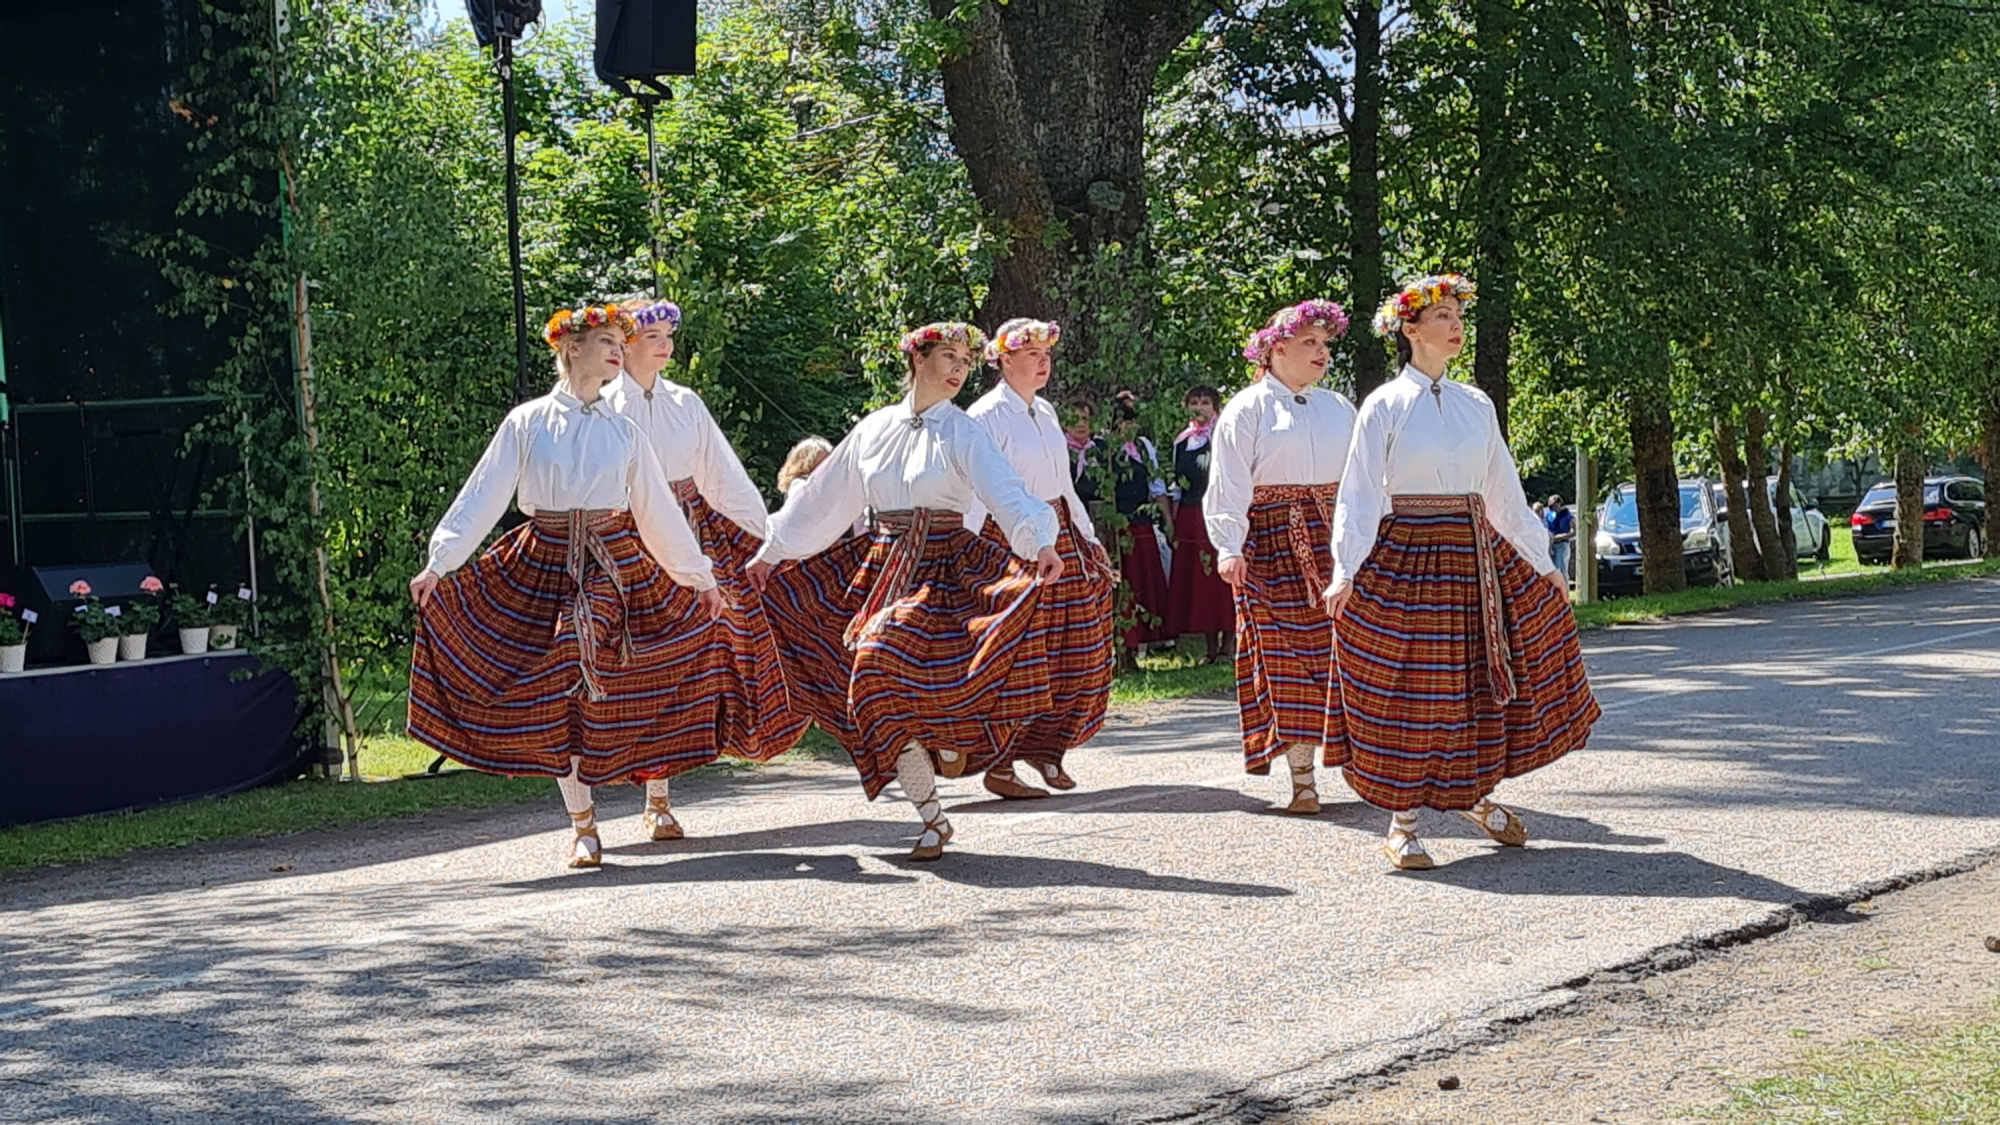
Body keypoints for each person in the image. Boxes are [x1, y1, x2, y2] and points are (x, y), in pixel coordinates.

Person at [407, 305, 730, 869]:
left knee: (628, 664)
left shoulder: (624, 430)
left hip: (613, 560)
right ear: (571, 348)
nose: (617, 351)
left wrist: (698, 577)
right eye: (605, 341)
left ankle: (656, 797)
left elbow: (656, 511)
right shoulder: (528, 421)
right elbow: (484, 493)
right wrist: (441, 563)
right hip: (542, 560)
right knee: (560, 680)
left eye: (620, 343)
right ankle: (584, 824)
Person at [747, 322, 1064, 861]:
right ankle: (931, 814)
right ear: (918, 359)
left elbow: (1006, 490)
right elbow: (824, 498)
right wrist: (771, 553)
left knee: (882, 663)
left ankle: (948, 738)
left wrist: (1039, 541)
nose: (959, 367)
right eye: (948, 355)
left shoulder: (964, 431)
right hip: (882, 562)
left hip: (945, 569)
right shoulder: (874, 429)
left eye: (965, 359)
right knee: (870, 679)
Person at [1325, 274, 1599, 870]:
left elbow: (1503, 491)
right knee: (1417, 688)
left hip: (1477, 557)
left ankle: (1472, 795)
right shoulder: (1384, 405)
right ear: (1410, 328)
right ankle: (1402, 823)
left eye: (1458, 316)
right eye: (1442, 316)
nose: (1455, 326)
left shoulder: (1477, 403)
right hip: (1409, 555)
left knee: (1474, 684)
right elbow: (1360, 493)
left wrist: (1540, 560)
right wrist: (1345, 570)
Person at [604, 298, 808, 789]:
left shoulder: (685, 402)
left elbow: (721, 474)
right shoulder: (605, 405)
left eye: (668, 337)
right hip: (630, 533)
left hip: (692, 525)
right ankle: (638, 775)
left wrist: (767, 537)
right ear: (625, 344)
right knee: (644, 652)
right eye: (652, 337)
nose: (665, 346)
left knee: (726, 631)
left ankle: (672, 778)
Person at [1205, 299, 1358, 813]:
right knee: (1283, 657)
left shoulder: (1338, 408)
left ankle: (1363, 764)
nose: (1322, 353)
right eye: (1310, 343)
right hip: (1269, 547)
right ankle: (1302, 779)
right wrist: (1229, 546)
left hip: (1330, 540)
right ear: (1275, 349)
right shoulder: (1247, 408)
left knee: (1342, 653)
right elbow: (1227, 483)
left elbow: (1361, 481)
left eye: (1325, 344)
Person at [963, 319, 1116, 799]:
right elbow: (976, 490)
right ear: (1004, 359)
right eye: (1032, 354)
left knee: (1080, 649)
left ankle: (1047, 749)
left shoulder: (1046, 411)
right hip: (1010, 538)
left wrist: (1088, 537)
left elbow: (1064, 485)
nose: (1043, 362)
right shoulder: (985, 416)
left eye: (1046, 353)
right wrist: (965, 550)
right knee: (1023, 654)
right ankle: (1000, 762)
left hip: (1059, 533)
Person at [1164, 384, 1235, 664]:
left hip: (1219, 512)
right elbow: (1176, 486)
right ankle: (1210, 647)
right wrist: (1172, 522)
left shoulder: (1223, 437)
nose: (1199, 407)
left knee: (1221, 576)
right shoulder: (1181, 442)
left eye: (1205, 402)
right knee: (1199, 580)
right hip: (1190, 514)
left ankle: (1228, 646)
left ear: (1215, 407)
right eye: (1194, 402)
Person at [1102, 391, 1171, 668]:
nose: (1129, 426)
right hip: (1118, 527)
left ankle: (1143, 642)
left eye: (1133, 420)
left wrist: (1168, 522)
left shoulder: (1143, 447)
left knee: (1143, 583)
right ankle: (1123, 647)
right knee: (1125, 584)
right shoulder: (1104, 448)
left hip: (1141, 524)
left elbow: (1157, 486)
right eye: (1124, 419)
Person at [1544, 494, 1575, 582]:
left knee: (1561, 569)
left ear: (1559, 503)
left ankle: (1564, 587)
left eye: (1555, 505)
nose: (1554, 508)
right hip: (1550, 544)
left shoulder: (1568, 516)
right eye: (1551, 506)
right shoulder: (1548, 514)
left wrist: (1562, 536)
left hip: (1562, 544)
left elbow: (1575, 532)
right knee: (1551, 569)